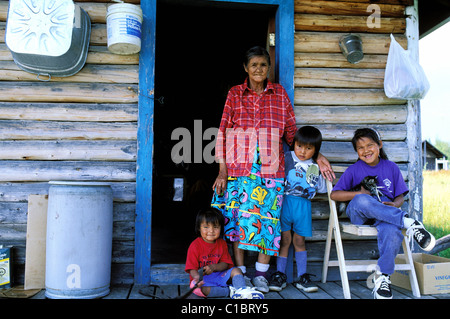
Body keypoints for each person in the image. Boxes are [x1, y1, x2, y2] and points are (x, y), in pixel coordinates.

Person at [211, 46, 334, 293]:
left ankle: (261, 276)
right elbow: (222, 133)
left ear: (269, 68)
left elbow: (292, 134)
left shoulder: (279, 93)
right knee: (238, 223)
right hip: (239, 170)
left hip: (270, 170)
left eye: (263, 65)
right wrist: (222, 170)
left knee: (267, 222)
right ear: (246, 68)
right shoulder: (235, 94)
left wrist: (317, 155)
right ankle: (241, 275)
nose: (259, 69)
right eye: (253, 64)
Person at [330, 128, 436, 299]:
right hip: (360, 214)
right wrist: (358, 194)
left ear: (379, 145)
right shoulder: (354, 170)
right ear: (356, 151)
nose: (366, 150)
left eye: (370, 145)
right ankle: (409, 223)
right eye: (360, 147)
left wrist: (394, 204)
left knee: (392, 230)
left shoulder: (391, 167)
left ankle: (383, 277)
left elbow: (400, 196)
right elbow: (334, 194)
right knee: (362, 200)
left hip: (386, 214)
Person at [268, 126, 327, 293]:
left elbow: (321, 189)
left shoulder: (315, 166)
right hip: (284, 203)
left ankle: (302, 277)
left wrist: (322, 172)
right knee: (284, 241)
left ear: (316, 150)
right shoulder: (286, 158)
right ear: (294, 144)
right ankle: (280, 275)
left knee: (299, 241)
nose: (303, 151)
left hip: (303, 206)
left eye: (309, 148)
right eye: (299, 146)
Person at [185, 208, 264, 299]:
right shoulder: (195, 246)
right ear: (199, 228)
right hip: (204, 280)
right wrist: (196, 277)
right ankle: (230, 291)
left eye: (215, 227)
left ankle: (242, 290)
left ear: (221, 228)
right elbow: (192, 269)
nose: (211, 231)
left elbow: (225, 264)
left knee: (237, 271)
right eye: (206, 227)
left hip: (221, 276)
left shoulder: (221, 243)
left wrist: (214, 267)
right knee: (199, 289)